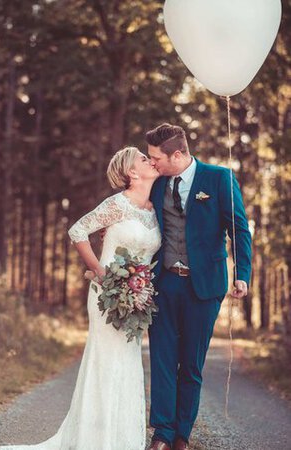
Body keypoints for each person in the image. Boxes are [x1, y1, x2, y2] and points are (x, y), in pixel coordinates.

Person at [0, 146, 161, 450]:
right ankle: (96, 441)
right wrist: (98, 271)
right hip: (107, 296)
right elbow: (78, 230)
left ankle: (121, 440)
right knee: (106, 363)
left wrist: (140, 289)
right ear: (132, 173)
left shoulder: (153, 208)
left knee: (128, 364)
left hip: (135, 299)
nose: (150, 161)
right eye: (143, 158)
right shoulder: (117, 204)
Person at [146, 123, 252, 450]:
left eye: (156, 158)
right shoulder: (155, 182)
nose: (152, 163)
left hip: (204, 288)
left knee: (191, 364)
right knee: (162, 360)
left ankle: (182, 435)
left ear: (177, 154)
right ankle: (162, 434)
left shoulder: (218, 178)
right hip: (163, 284)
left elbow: (240, 229)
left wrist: (243, 274)